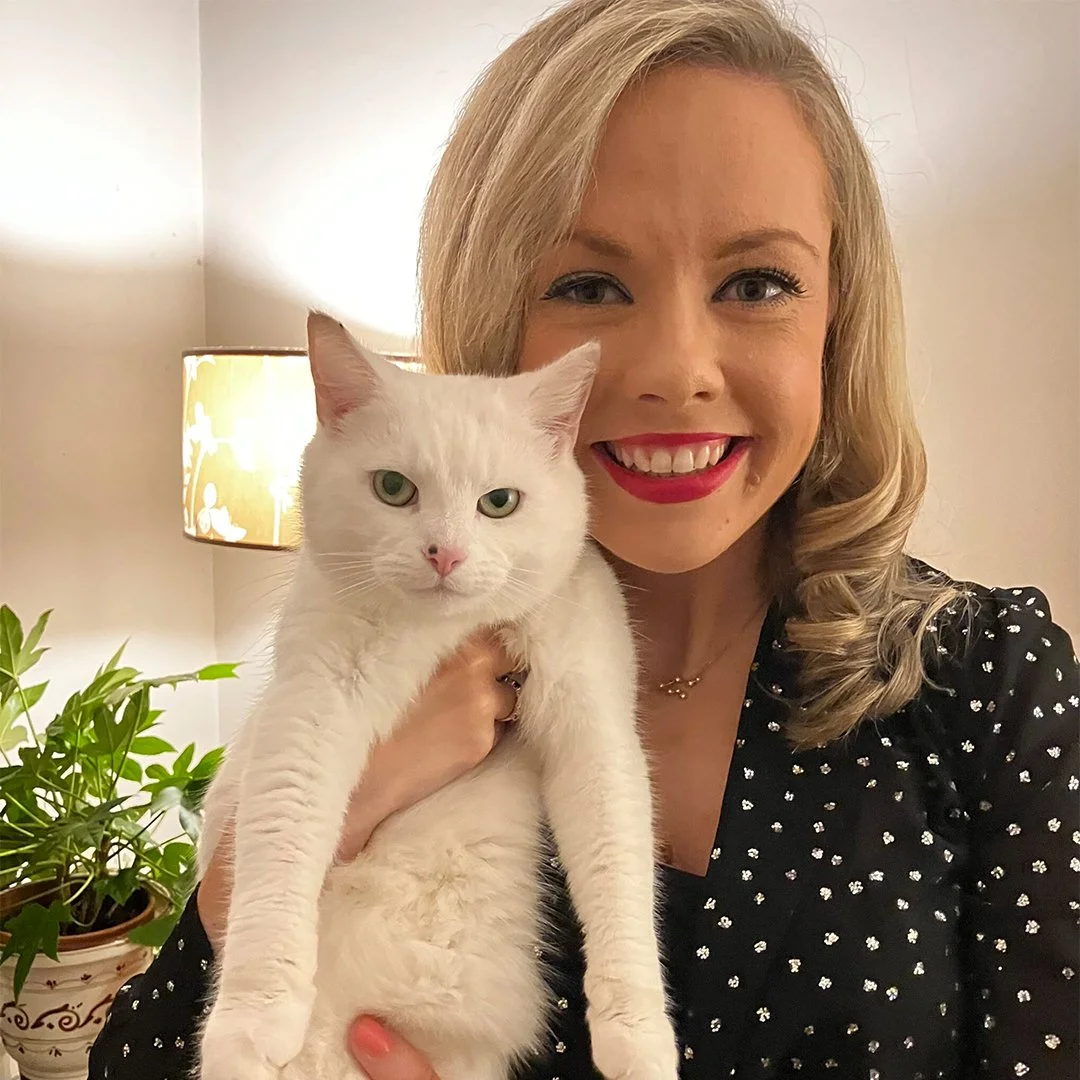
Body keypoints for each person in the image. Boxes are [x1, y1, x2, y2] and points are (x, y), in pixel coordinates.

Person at [89, 0, 1079, 1076]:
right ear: (497, 313)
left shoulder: (986, 680)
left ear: (839, 319)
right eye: (590, 285)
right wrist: (352, 800)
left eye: (757, 283)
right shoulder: (394, 647)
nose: (673, 368)